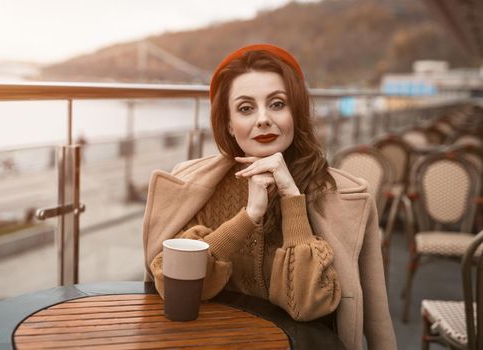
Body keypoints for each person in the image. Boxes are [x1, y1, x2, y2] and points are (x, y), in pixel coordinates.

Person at [143, 44, 396, 349]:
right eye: (246, 108)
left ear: (296, 113)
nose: (263, 119)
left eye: (277, 104)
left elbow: (305, 305)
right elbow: (174, 288)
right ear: (228, 124)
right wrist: (248, 216)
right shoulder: (199, 188)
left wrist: (291, 198)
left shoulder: (344, 197)